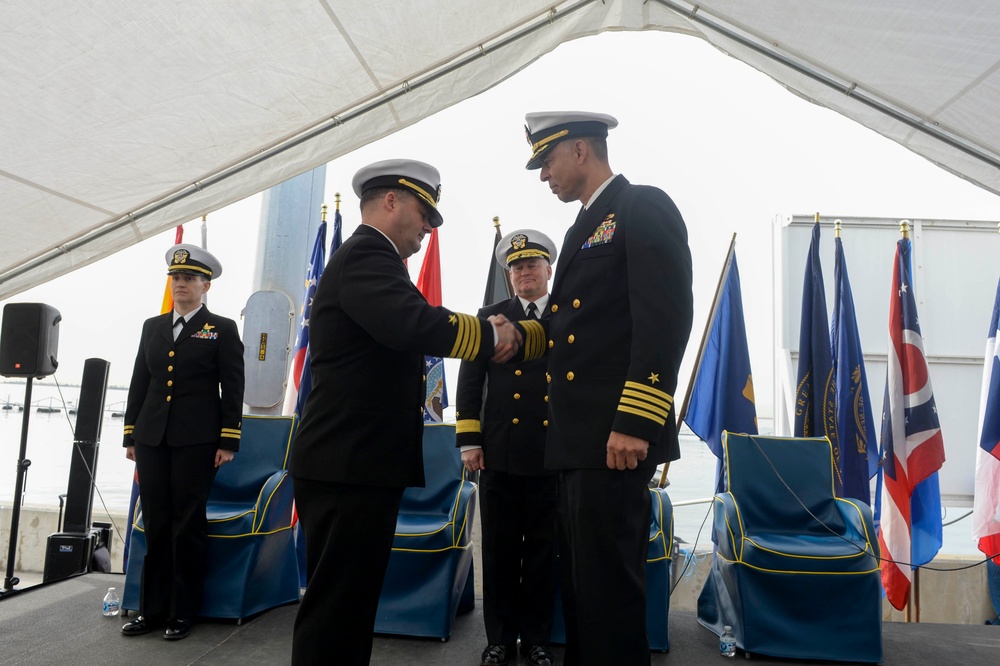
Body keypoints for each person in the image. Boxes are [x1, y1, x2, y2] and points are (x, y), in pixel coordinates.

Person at [289, 158, 522, 665]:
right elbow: (412, 323)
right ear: (391, 201)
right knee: (336, 607)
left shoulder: (374, 259)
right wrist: (492, 334)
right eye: (424, 214)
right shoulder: (367, 255)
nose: (427, 228)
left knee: (350, 605)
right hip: (346, 465)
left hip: (355, 463)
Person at [518, 112, 694, 664]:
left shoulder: (642, 206)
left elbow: (664, 320)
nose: (543, 175)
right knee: (581, 584)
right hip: (578, 439)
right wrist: (506, 335)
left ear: (578, 151)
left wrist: (636, 422)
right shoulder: (580, 229)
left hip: (615, 437)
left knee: (610, 589)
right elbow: (568, 330)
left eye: (546, 161)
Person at [121, 244, 245, 641]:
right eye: (176, 278)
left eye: (189, 278)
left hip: (197, 441)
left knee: (187, 524)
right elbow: (141, 382)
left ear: (205, 285)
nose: (181, 285)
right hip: (153, 438)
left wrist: (229, 439)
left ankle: (182, 611)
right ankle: (150, 611)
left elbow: (233, 387)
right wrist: (131, 435)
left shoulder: (221, 329)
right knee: (155, 523)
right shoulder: (151, 327)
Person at [456, 229, 559, 666]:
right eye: (516, 267)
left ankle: (536, 639)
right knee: (498, 551)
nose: (524, 272)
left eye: (532, 264)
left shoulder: (565, 315)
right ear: (509, 275)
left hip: (552, 453)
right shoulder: (490, 315)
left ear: (548, 269)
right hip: (498, 450)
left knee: (541, 551)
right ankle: (498, 639)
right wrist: (469, 441)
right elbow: (469, 383)